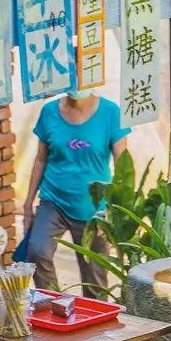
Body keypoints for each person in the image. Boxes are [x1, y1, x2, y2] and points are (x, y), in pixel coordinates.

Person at [22, 87, 125, 293]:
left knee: (95, 281)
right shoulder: (49, 111)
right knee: (37, 252)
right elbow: (41, 158)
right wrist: (27, 204)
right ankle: (55, 304)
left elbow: (123, 167)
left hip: (95, 209)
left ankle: (94, 321)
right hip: (54, 200)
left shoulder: (111, 112)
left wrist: (116, 213)